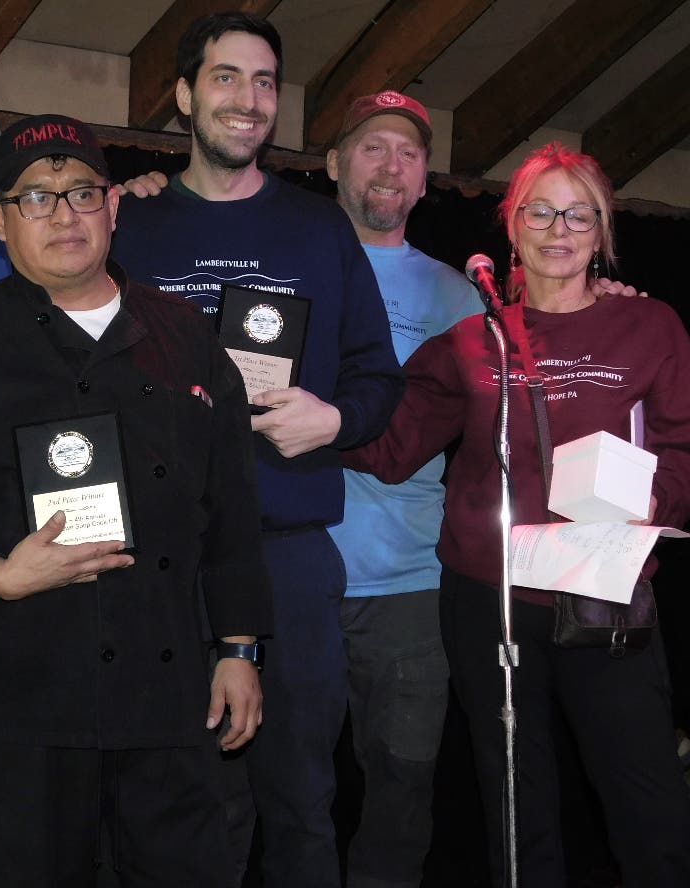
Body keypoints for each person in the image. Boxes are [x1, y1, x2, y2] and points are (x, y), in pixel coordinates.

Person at [0, 113, 272, 887]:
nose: (65, 214)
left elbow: (231, 515)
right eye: (37, 198)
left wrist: (238, 649)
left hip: (166, 699)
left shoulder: (187, 336)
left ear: (114, 207)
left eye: (84, 192)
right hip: (12, 698)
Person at [344, 142, 690, 886]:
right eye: (539, 209)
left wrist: (643, 501)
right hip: (490, 604)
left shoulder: (651, 327)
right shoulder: (474, 341)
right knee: (514, 807)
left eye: (578, 213)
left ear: (601, 232)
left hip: (607, 598)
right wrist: (307, 418)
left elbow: (680, 450)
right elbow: (393, 444)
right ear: (513, 225)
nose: (557, 228)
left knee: (647, 804)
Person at [112, 12, 403, 884]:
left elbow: (378, 381)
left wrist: (334, 421)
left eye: (265, 82)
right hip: (160, 562)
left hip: (289, 561)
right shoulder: (132, 226)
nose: (248, 100)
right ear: (184, 94)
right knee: (177, 804)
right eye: (227, 78)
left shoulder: (319, 231)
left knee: (301, 804)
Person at [322, 91, 477, 888]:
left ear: (424, 183)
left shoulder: (459, 299)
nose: (391, 164)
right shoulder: (288, 264)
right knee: (283, 787)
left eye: (409, 154)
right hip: (292, 576)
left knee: (401, 788)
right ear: (335, 164)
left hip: (413, 589)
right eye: (373, 146)